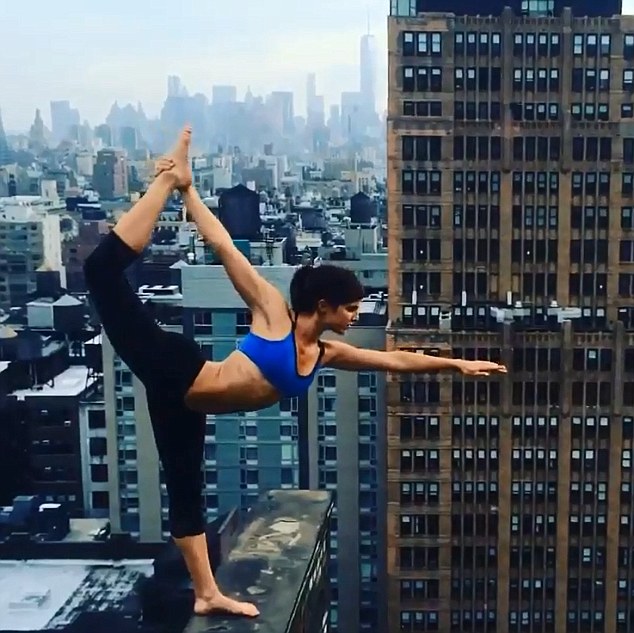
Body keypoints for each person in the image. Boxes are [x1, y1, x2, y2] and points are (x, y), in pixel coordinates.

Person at [83, 127, 507, 619]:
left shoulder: (325, 354)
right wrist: (187, 192)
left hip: (186, 401)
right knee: (100, 273)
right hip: (176, 368)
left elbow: (395, 360)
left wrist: (455, 363)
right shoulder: (272, 313)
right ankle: (165, 179)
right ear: (323, 306)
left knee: (184, 489)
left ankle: (206, 593)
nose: (354, 318)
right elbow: (224, 247)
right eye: (349, 309)